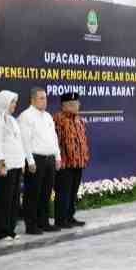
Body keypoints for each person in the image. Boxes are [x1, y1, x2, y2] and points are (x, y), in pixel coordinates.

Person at [19, 87, 61, 235]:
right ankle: (31, 225)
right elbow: (24, 140)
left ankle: (44, 222)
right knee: (33, 193)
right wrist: (30, 160)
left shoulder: (48, 116)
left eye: (45, 98)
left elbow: (54, 138)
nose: (45, 101)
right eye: (41, 98)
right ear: (32, 100)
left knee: (46, 193)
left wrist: (57, 156)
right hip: (35, 159)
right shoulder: (26, 116)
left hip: (49, 159)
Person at [0, 91, 26, 242]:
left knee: (13, 200)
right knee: (2, 200)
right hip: (4, 167)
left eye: (15, 102)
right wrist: (1, 164)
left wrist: (22, 162)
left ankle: (10, 229)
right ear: (3, 102)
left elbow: (18, 142)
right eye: (12, 102)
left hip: (16, 165)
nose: (14, 105)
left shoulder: (12, 120)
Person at [53, 93, 90, 228]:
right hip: (65, 163)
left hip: (78, 162)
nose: (77, 106)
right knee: (63, 193)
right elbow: (56, 141)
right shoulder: (58, 119)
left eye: (77, 103)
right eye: (74, 104)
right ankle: (61, 220)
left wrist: (84, 156)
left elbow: (83, 139)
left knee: (73, 192)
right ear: (65, 105)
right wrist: (59, 159)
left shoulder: (79, 120)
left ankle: (70, 217)